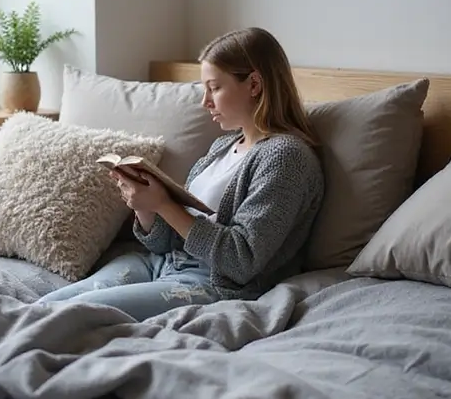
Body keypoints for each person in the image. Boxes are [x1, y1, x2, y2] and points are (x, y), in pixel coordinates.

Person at [43, 27, 324, 321]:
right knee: (44, 306)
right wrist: (146, 209)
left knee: (69, 315)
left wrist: (164, 205)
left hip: (211, 284)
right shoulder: (223, 146)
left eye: (214, 88)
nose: (205, 102)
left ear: (254, 84)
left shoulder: (287, 157)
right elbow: (170, 241)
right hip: (159, 263)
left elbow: (241, 260)